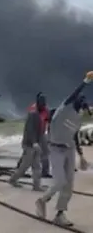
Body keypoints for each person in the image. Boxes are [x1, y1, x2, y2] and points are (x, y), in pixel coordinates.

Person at [35, 72, 93, 227]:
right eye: (80, 101)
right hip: (55, 149)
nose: (81, 103)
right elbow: (74, 95)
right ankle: (42, 200)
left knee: (69, 185)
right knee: (60, 181)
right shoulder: (62, 110)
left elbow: (73, 136)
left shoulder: (77, 116)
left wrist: (81, 156)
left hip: (69, 149)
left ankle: (60, 214)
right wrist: (85, 82)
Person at [9, 93, 46, 191]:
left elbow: (39, 130)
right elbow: (30, 130)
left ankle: (36, 186)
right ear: (39, 103)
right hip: (29, 144)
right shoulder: (33, 114)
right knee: (25, 165)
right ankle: (13, 179)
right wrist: (34, 142)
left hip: (36, 144)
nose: (45, 104)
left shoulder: (39, 114)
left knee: (37, 166)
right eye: (43, 102)